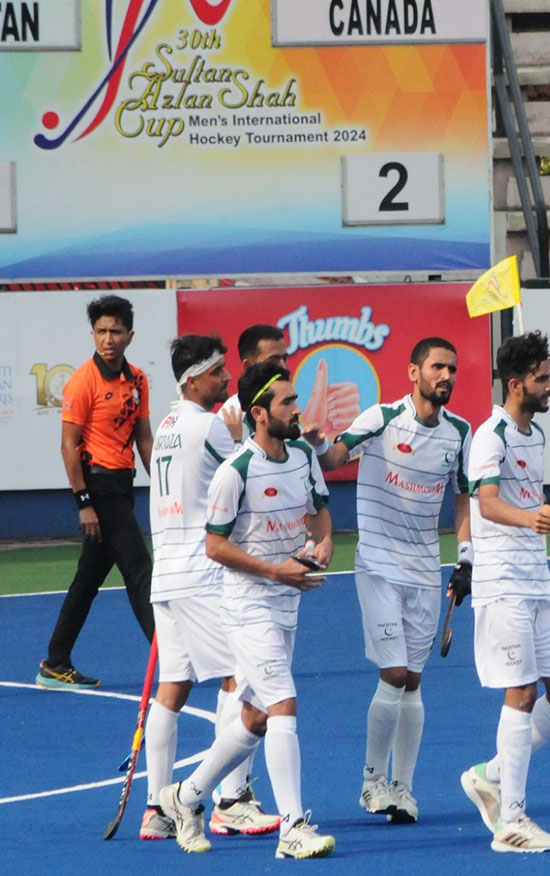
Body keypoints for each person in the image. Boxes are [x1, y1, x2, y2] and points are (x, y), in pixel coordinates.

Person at [159, 361, 336, 860]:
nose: (297, 409)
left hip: (286, 603)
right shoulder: (234, 472)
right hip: (246, 605)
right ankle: (293, 828)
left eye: (295, 400)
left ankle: (186, 797)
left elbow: (320, 510)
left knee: (256, 716)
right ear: (259, 413)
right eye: (286, 403)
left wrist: (322, 543)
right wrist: (275, 570)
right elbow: (214, 546)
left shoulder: (303, 453)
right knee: (283, 704)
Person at [309, 337, 473, 825]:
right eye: (437, 367)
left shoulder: (459, 432)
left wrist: (466, 559)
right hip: (378, 564)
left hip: (426, 570)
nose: (446, 376)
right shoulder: (380, 419)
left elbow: (464, 498)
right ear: (413, 372)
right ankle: (370, 783)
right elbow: (336, 458)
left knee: (415, 681)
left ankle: (403, 788)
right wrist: (319, 443)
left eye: (452, 368)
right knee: (395, 673)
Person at [140, 335, 280, 841]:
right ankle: (229, 800)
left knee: (172, 689)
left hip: (168, 575)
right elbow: (255, 470)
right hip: (202, 574)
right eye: (218, 372)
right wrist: (243, 437)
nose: (226, 381)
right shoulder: (212, 426)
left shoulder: (169, 423)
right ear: (192, 379)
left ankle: (156, 809)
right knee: (240, 680)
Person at [458, 330, 550, 854]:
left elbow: (526, 497)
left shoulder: (536, 435)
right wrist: (531, 517)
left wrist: (538, 510)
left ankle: (492, 775)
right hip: (501, 583)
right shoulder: (492, 435)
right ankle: (512, 821)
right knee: (522, 693)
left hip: (538, 581)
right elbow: (486, 503)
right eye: (542, 378)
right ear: (516, 384)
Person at [36, 294, 154, 689]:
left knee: (87, 580)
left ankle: (55, 662)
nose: (108, 338)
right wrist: (83, 503)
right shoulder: (82, 382)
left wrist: (165, 486)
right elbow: (68, 446)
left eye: (115, 331)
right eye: (101, 331)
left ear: (129, 336)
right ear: (93, 333)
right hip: (99, 488)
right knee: (139, 570)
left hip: (122, 485)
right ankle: (170, 657)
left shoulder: (137, 380)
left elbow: (145, 438)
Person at [218, 324, 288, 442]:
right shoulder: (230, 417)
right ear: (248, 366)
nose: (284, 367)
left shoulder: (288, 407)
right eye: (273, 361)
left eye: (285, 359)